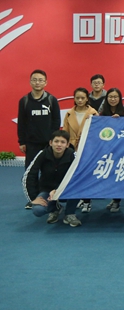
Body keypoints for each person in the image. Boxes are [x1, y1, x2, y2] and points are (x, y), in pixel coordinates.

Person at [18, 69, 61, 209]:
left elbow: (56, 121)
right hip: (31, 143)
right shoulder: (24, 101)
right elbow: (22, 123)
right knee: (31, 172)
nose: (37, 82)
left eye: (40, 80)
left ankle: (50, 196)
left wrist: (53, 140)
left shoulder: (51, 100)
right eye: (35, 80)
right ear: (30, 82)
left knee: (49, 171)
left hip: (48, 143)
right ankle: (33, 198)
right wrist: (22, 141)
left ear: (45, 82)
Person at [23, 130, 81, 227]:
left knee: (78, 187)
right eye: (56, 141)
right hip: (46, 190)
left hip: (66, 190)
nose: (59, 145)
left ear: (67, 145)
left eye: (62, 142)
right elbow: (29, 175)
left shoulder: (73, 155)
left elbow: (79, 176)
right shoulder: (43, 154)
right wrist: (33, 198)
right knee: (38, 210)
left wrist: (58, 190)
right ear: (51, 143)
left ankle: (70, 213)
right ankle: (55, 209)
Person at [62, 87, 99, 213]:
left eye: (82, 98)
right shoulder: (69, 113)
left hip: (88, 147)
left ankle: (87, 201)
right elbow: (65, 132)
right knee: (73, 175)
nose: (80, 100)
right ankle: (77, 198)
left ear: (87, 98)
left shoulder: (93, 113)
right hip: (72, 148)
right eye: (77, 98)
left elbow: (97, 132)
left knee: (86, 175)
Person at [99, 88, 124, 213]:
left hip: (120, 150)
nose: (113, 99)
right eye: (110, 97)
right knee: (109, 176)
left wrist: (122, 120)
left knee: (118, 176)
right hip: (106, 150)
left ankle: (117, 201)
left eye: (115, 97)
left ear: (119, 98)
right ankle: (112, 198)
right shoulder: (101, 114)